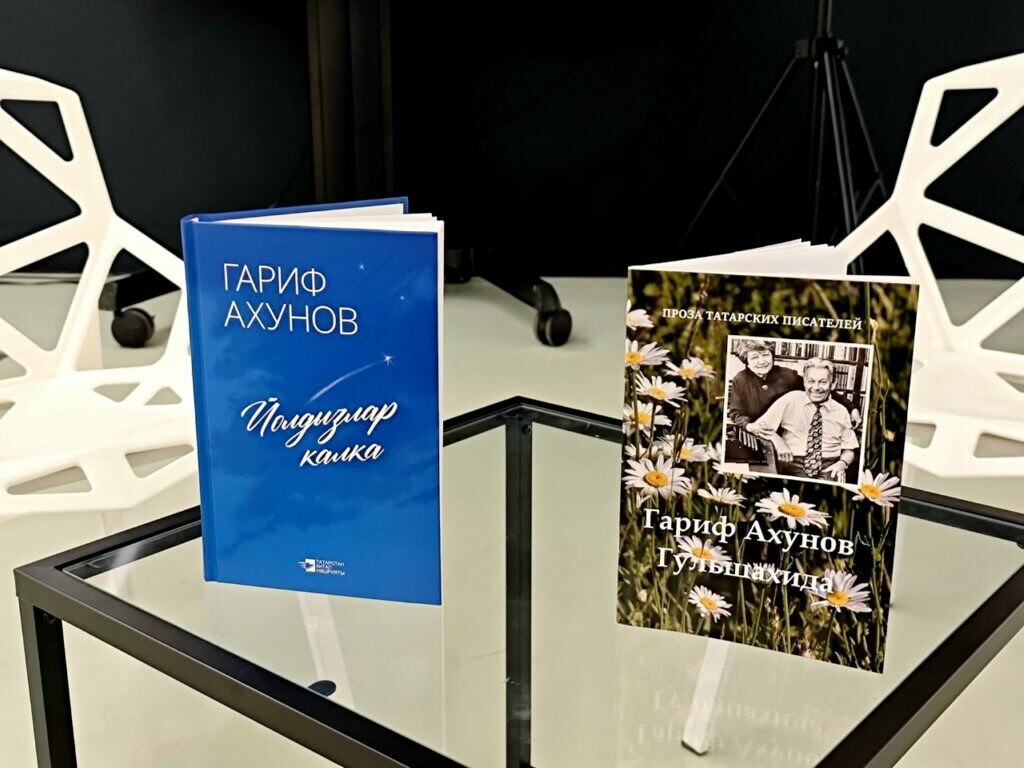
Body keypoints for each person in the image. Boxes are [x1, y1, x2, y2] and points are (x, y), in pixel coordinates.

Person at [745, 358, 858, 481]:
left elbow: (849, 449)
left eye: (823, 382)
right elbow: (754, 427)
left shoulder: (842, 411)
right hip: (790, 462)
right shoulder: (791, 399)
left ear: (834, 384)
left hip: (830, 467)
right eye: (811, 381)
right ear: (804, 382)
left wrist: (842, 463)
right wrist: (777, 440)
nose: (816, 387)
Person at [727, 339, 861, 426]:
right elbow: (735, 413)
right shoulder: (740, 379)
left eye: (766, 355)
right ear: (746, 361)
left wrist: (852, 408)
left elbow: (819, 390)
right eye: (755, 357)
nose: (762, 361)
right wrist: (749, 426)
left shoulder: (788, 375)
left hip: (789, 433)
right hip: (755, 433)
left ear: (772, 356)